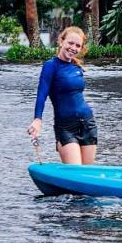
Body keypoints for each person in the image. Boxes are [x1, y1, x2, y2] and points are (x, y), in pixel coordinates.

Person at [28, 26, 97, 164]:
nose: (73, 48)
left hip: (87, 123)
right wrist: (37, 119)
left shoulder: (77, 68)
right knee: (76, 175)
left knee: (88, 175)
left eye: (78, 45)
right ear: (61, 41)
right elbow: (42, 93)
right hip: (66, 127)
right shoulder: (50, 66)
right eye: (70, 43)